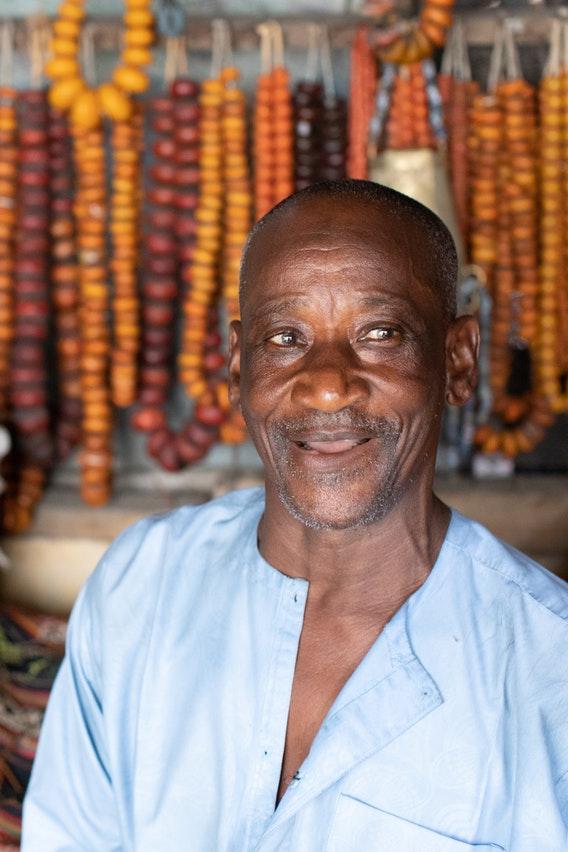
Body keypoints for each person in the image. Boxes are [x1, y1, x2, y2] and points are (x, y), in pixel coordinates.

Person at [22, 180, 568, 851]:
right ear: (237, 364)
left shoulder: (549, 670)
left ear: (457, 360)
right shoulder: (144, 583)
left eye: (380, 333)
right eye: (286, 336)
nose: (328, 382)